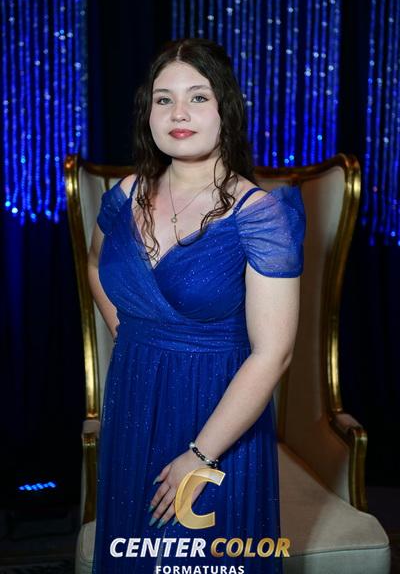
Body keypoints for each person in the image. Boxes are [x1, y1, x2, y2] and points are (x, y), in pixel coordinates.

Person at [88, 37, 306, 573]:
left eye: (198, 97)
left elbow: (274, 354)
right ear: (149, 113)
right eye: (164, 99)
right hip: (133, 399)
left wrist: (200, 456)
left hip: (218, 418)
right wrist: (130, 333)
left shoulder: (259, 214)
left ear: (225, 108)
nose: (178, 113)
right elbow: (95, 265)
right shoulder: (125, 194)